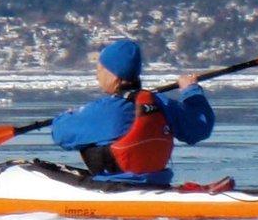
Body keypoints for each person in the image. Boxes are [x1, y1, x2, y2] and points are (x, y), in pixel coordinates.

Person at [49, 38, 214, 185]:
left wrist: (67, 116)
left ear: (114, 76)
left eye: (99, 70)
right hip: (156, 183)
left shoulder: (106, 110)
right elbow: (200, 128)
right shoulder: (162, 103)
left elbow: (60, 134)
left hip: (114, 187)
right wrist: (191, 91)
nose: (97, 76)